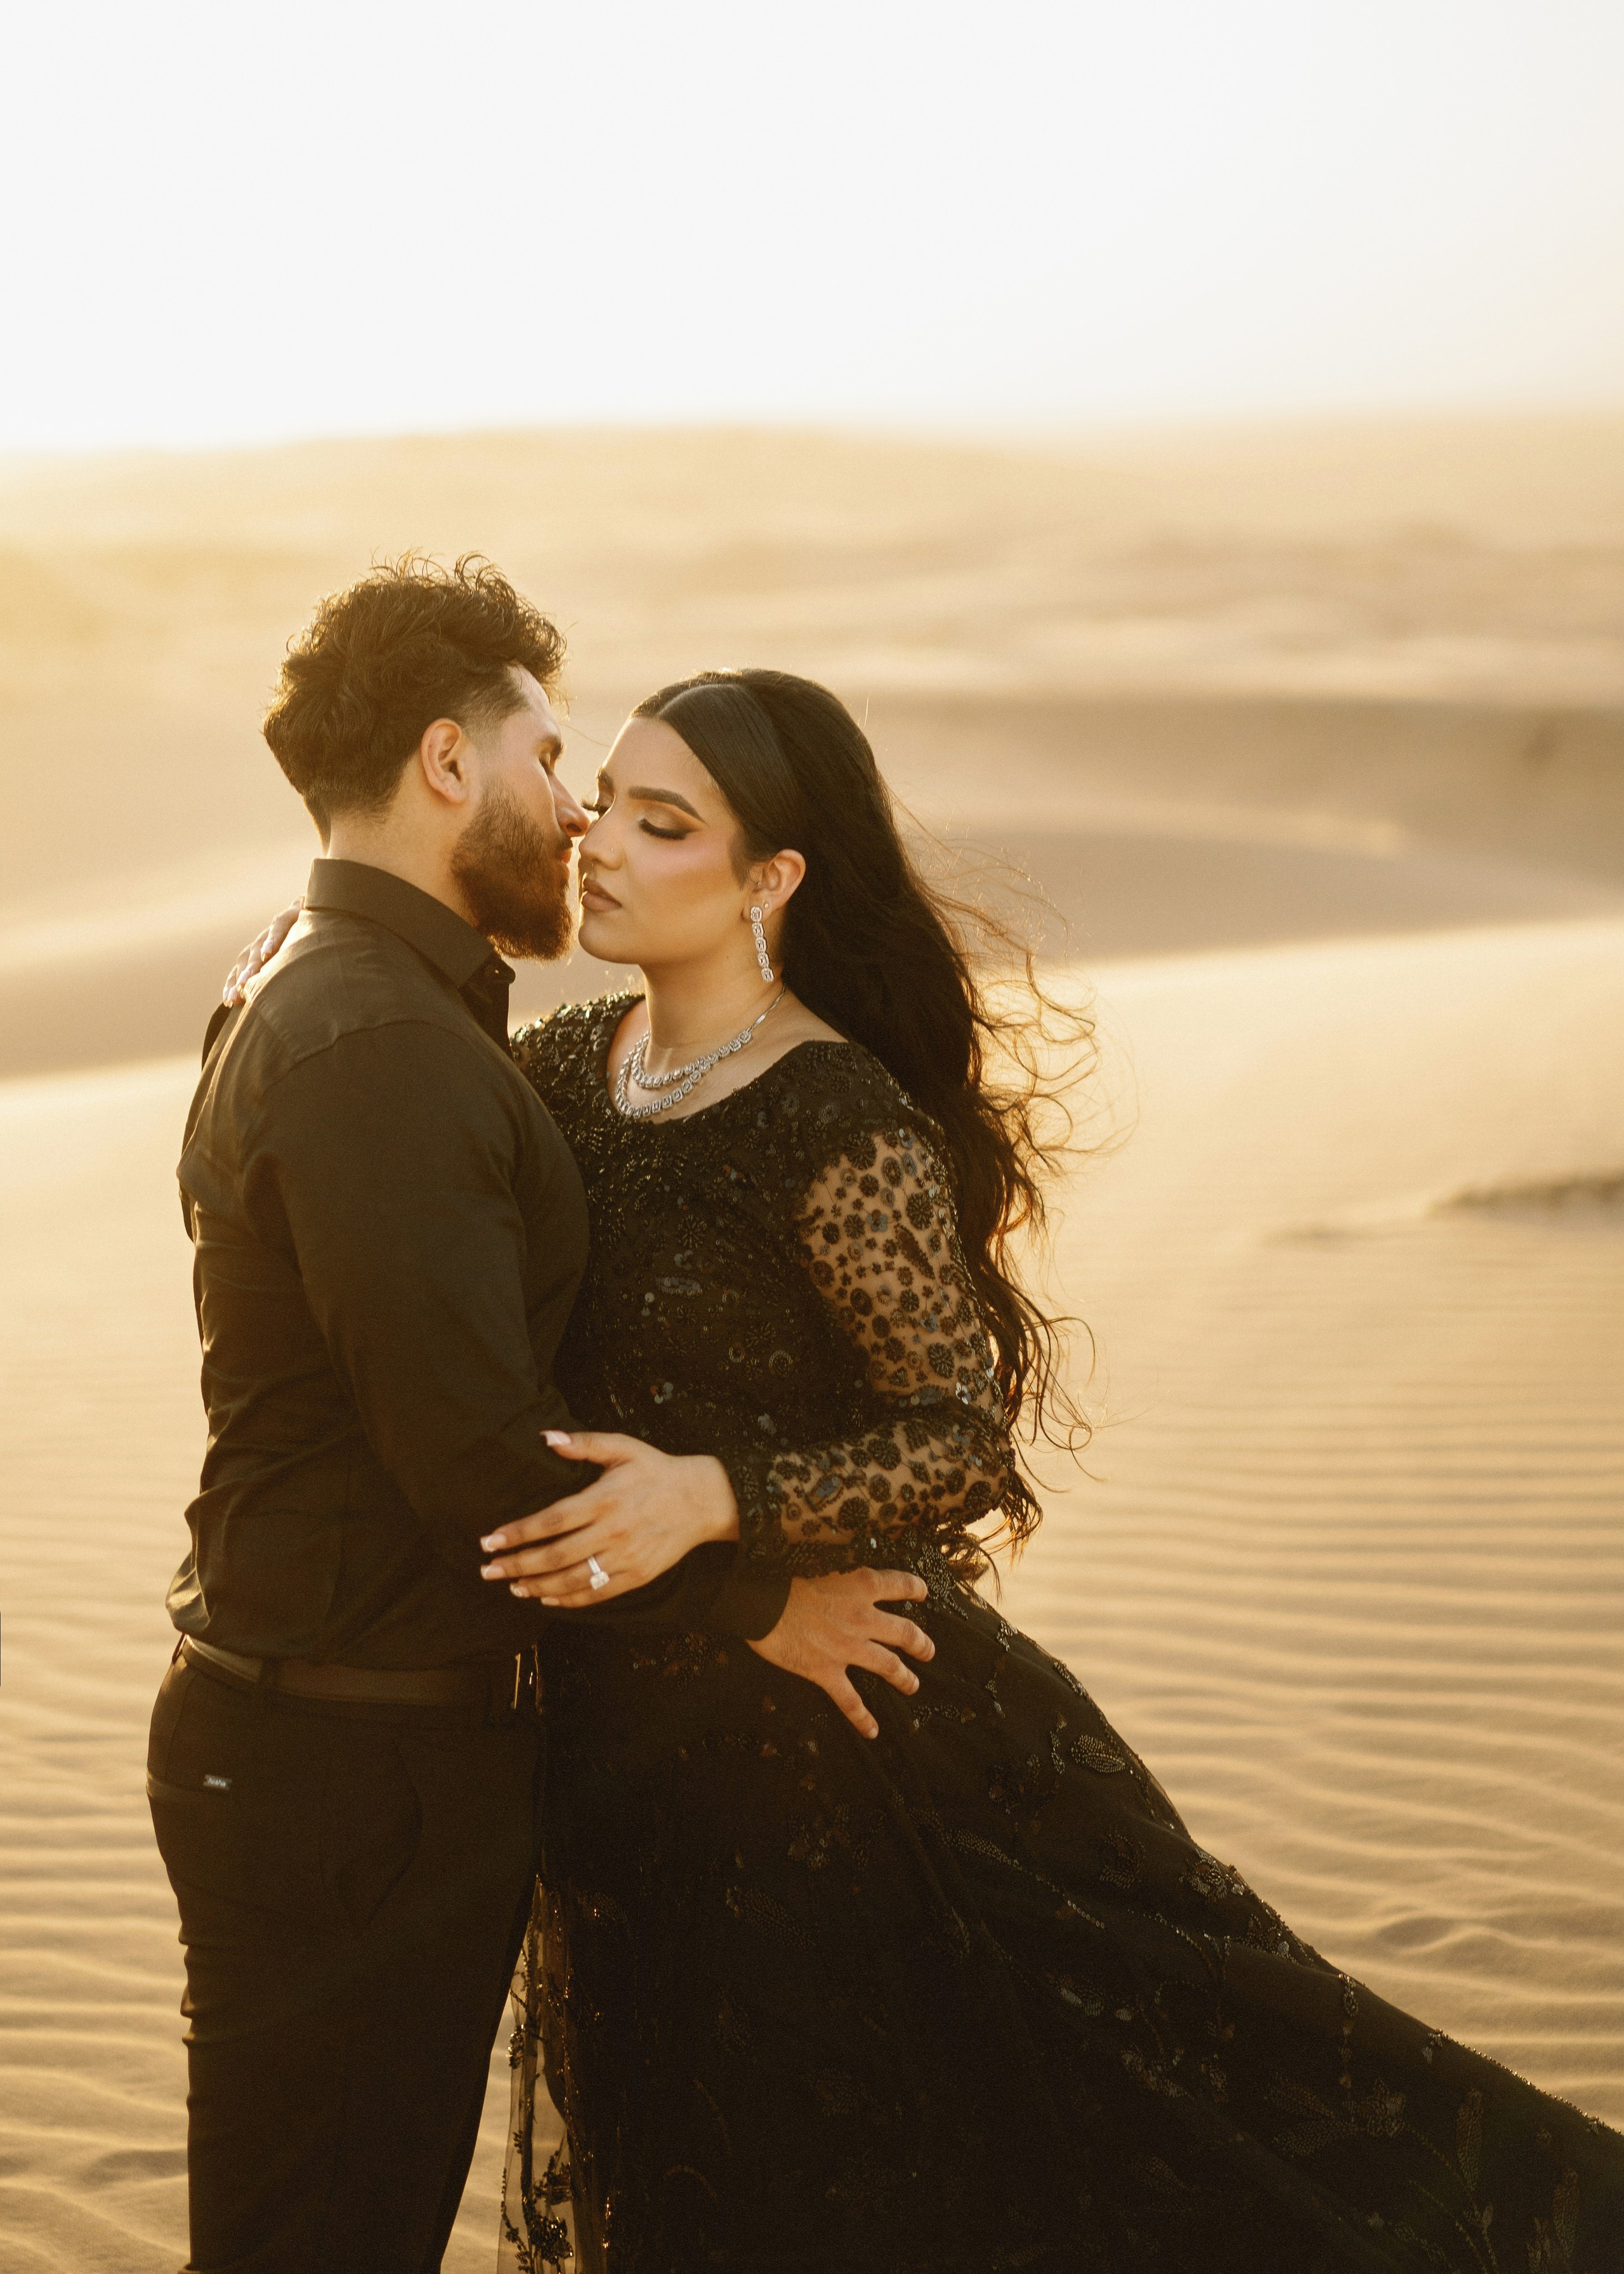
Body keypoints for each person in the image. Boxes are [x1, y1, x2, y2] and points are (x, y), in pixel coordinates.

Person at [467, 667, 1624, 2271]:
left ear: (770, 880)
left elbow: (952, 1436)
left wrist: (713, 1494)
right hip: (630, 1744)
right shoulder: (560, 1069)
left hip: (853, 1751)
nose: (600, 843)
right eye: (603, 801)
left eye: (665, 823)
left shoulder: (833, 1115)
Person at [152, 560, 932, 2274]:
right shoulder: (377, 1045)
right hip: (354, 1769)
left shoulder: (355, 989)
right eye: (550, 756)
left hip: (341, 1743)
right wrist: (761, 1600)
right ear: (449, 765)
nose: (572, 808)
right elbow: (482, 1477)